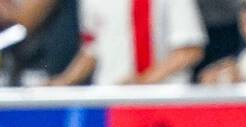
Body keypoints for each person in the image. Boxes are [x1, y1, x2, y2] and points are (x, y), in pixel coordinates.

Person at [52, 0, 207, 85]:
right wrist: (63, 82)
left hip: (163, 99)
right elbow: (92, 49)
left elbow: (189, 50)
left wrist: (142, 82)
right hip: (110, 102)